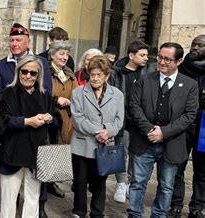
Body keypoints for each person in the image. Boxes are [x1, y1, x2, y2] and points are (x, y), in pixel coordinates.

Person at [128, 42, 199, 217]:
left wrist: (164, 132)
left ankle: (159, 215)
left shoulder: (189, 85)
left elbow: (189, 115)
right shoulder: (145, 79)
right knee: (137, 183)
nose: (162, 62)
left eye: (168, 59)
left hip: (172, 144)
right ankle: (134, 214)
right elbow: (134, 106)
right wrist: (150, 130)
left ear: (179, 61)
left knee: (166, 186)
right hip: (144, 141)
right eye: (160, 57)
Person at [0, 23, 53, 217]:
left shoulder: (41, 76)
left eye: (32, 73)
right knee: (9, 198)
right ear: (18, 72)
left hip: (35, 149)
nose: (28, 75)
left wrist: (49, 117)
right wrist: (24, 119)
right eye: (11, 40)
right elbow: (0, 102)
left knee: (32, 198)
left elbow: (50, 105)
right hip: (13, 146)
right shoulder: (4, 73)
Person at [70, 55, 124, 217]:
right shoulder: (78, 92)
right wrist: (98, 131)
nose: (95, 78)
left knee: (101, 181)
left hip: (106, 144)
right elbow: (78, 119)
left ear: (107, 76)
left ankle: (97, 212)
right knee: (80, 181)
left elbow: (119, 120)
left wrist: (107, 131)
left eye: (99, 75)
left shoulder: (118, 95)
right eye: (92, 74)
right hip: (83, 144)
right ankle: (79, 211)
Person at [108, 40, 155, 203]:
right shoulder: (117, 73)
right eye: (142, 55)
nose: (145, 58)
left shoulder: (148, 74)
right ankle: (121, 183)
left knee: (137, 155)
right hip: (123, 121)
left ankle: (131, 183)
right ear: (131, 55)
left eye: (146, 55)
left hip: (141, 121)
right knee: (122, 153)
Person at [169, 35, 205, 218]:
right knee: (178, 165)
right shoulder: (182, 68)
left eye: (200, 45)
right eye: (193, 45)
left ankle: (197, 206)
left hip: (204, 122)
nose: (195, 48)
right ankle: (175, 203)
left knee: (202, 169)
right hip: (184, 122)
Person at [0, 22, 52, 105]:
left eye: (18, 40)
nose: (14, 44)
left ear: (28, 43)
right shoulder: (1, 65)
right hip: (7, 115)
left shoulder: (41, 62)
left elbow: (46, 91)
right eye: (11, 40)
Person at [48, 40, 77, 143]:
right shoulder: (45, 72)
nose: (65, 57)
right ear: (52, 55)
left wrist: (71, 101)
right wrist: (56, 99)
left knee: (64, 155)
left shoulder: (70, 74)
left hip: (68, 122)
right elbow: (40, 95)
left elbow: (77, 96)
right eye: (61, 54)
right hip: (51, 121)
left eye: (67, 54)